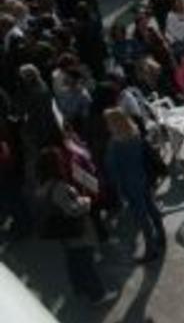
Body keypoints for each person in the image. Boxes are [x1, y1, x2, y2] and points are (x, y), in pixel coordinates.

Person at [36, 148, 114, 305]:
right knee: (86, 262)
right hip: (75, 230)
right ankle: (97, 295)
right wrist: (86, 201)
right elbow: (73, 210)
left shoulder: (44, 186)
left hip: (63, 232)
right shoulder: (58, 187)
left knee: (73, 261)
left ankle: (79, 288)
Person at [104, 108, 166, 263]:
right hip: (143, 177)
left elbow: (113, 169)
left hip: (129, 183)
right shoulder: (135, 135)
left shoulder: (115, 144)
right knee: (151, 206)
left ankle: (150, 249)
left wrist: (118, 189)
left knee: (141, 215)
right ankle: (161, 235)